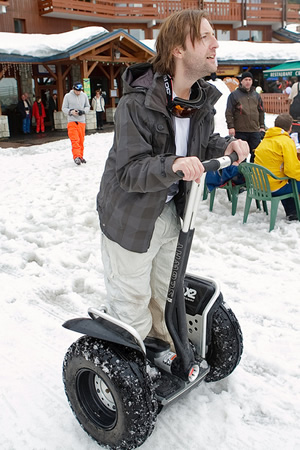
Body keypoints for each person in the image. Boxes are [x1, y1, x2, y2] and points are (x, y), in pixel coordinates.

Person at [96, 9, 249, 348]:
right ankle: (133, 371)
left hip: (169, 212)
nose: (215, 44)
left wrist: (228, 145)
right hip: (130, 217)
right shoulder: (136, 104)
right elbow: (129, 171)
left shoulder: (199, 100)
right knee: (132, 303)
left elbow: (201, 145)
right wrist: (174, 164)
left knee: (167, 294)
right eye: (206, 36)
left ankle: (164, 351)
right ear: (179, 48)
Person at [254, 113, 300, 221]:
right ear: (290, 128)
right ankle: (293, 212)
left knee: (285, 179)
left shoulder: (265, 140)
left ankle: (293, 212)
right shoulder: (286, 142)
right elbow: (292, 170)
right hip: (273, 187)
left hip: (258, 186)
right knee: (293, 180)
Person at [225, 71, 265, 162]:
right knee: (241, 155)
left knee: (256, 154)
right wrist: (231, 126)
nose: (248, 82)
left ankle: (253, 173)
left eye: (250, 80)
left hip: (254, 130)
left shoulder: (256, 96)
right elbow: (229, 112)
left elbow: (261, 111)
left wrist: (262, 126)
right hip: (240, 130)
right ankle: (241, 175)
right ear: (241, 81)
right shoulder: (234, 95)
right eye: (245, 79)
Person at [62, 82, 90, 165]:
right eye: (77, 91)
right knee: (75, 140)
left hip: (82, 121)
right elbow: (64, 108)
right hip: (72, 121)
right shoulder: (67, 96)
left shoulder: (84, 95)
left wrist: (83, 111)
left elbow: (88, 106)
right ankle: (76, 156)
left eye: (80, 91)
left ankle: (81, 156)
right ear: (73, 89)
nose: (78, 92)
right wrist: (71, 111)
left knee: (81, 140)